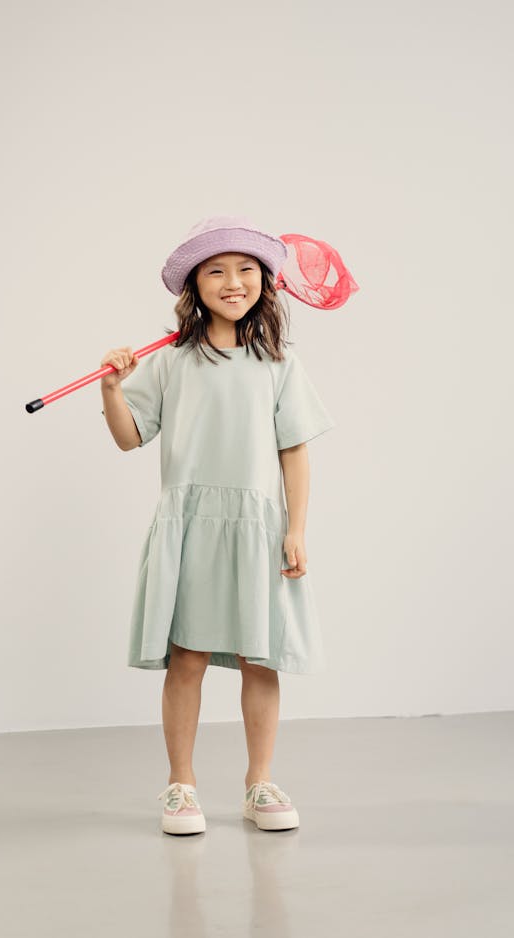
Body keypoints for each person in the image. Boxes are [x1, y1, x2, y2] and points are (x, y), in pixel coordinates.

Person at [99, 215, 336, 836]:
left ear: (265, 283)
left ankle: (260, 783)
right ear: (194, 286)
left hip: (258, 525)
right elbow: (130, 438)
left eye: (246, 270)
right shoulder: (172, 362)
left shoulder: (280, 365)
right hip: (192, 524)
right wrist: (112, 390)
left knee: (262, 659)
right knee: (188, 657)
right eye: (217, 271)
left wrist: (296, 528)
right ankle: (181, 785)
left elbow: (294, 451)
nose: (233, 282)